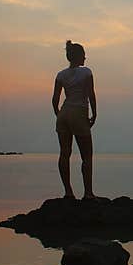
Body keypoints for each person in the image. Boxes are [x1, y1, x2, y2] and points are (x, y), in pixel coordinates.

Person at [52, 40, 97, 199]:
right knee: (87, 156)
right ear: (79, 57)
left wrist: (60, 115)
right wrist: (94, 114)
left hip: (64, 114)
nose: (85, 58)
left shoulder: (60, 75)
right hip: (79, 113)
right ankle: (88, 194)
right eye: (84, 55)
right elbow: (91, 94)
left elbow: (55, 100)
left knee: (64, 154)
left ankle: (68, 193)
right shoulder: (86, 72)